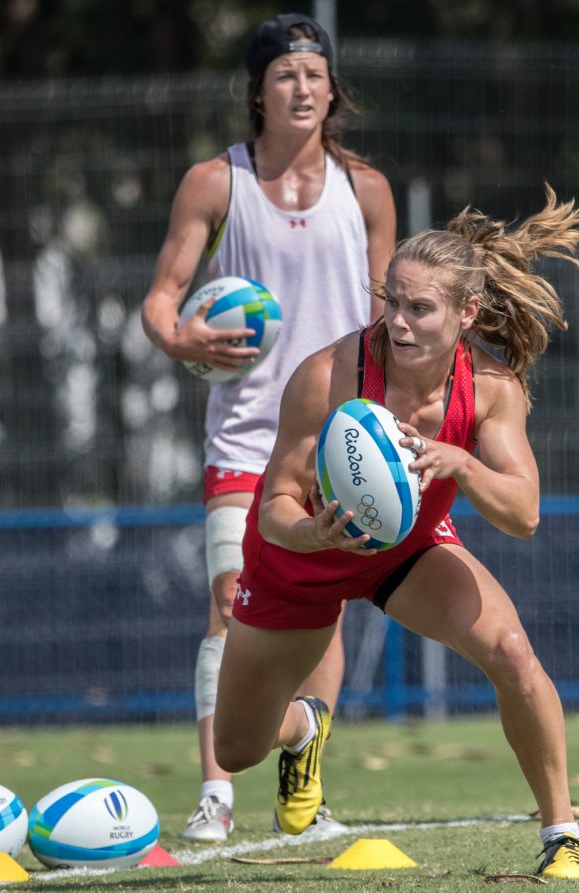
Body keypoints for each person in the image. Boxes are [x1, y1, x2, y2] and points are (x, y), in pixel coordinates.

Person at [210, 187, 579, 879]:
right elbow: (273, 508)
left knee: (512, 652)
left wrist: (464, 464)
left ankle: (563, 833)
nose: (398, 322)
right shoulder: (329, 373)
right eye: (392, 302)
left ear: (467, 312)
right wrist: (316, 534)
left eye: (420, 308)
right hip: (299, 560)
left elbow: (524, 515)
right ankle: (304, 727)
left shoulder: (492, 388)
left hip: (406, 551)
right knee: (236, 748)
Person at [140, 12, 396, 842]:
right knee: (230, 601)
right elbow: (161, 298)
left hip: (339, 435)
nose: (303, 88)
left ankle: (303, 790)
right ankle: (216, 791)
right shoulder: (215, 182)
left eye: (315, 74)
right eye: (286, 74)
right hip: (245, 436)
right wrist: (180, 337)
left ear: (333, 89)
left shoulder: (367, 189)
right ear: (258, 91)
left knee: (325, 614)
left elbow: (387, 317)